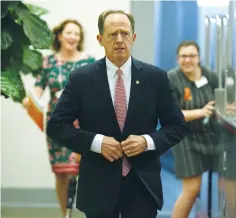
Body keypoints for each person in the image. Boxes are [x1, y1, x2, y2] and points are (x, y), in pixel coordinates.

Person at [46, 10, 186, 218]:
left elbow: (177, 126)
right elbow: (56, 126)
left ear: (134, 37)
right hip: (98, 185)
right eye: (112, 34)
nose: (120, 39)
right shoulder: (81, 79)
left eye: (125, 33)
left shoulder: (156, 78)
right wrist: (96, 142)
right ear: (100, 39)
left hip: (142, 184)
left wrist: (147, 141)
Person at [22, 19, 95, 216]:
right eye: (69, 33)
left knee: (83, 172)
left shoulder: (89, 62)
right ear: (60, 35)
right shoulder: (48, 62)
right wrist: (31, 100)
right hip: (56, 124)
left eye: (77, 34)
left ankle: (88, 212)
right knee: (61, 174)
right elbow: (38, 88)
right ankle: (65, 214)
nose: (73, 37)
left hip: (82, 125)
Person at [167, 41, 222, 218]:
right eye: (183, 56)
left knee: (228, 182)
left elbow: (222, 100)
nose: (188, 60)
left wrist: (224, 108)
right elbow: (171, 114)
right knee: (191, 189)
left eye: (192, 56)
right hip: (184, 138)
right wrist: (201, 111)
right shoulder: (172, 78)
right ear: (177, 59)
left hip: (211, 136)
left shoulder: (210, 76)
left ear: (199, 58)